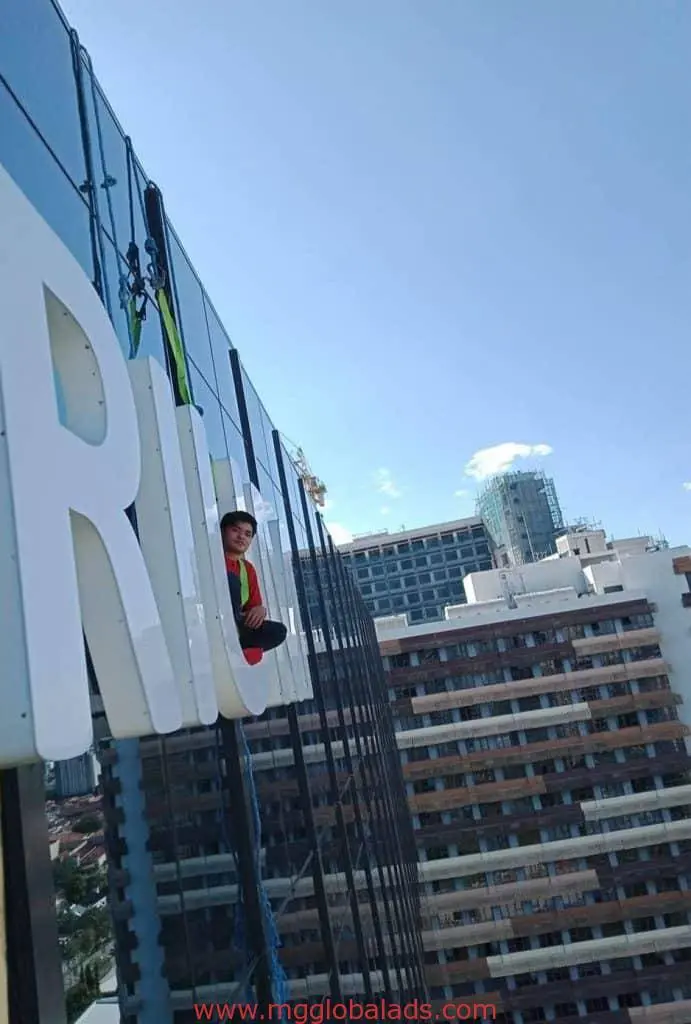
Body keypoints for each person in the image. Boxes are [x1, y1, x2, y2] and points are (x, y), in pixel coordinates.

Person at [220, 510, 287, 665]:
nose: (241, 537)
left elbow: (253, 607)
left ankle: (243, 648)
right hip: (216, 619)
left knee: (278, 631)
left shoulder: (247, 568)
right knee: (231, 581)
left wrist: (260, 610)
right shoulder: (213, 557)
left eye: (247, 534)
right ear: (223, 532)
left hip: (238, 624)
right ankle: (244, 649)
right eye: (235, 530)